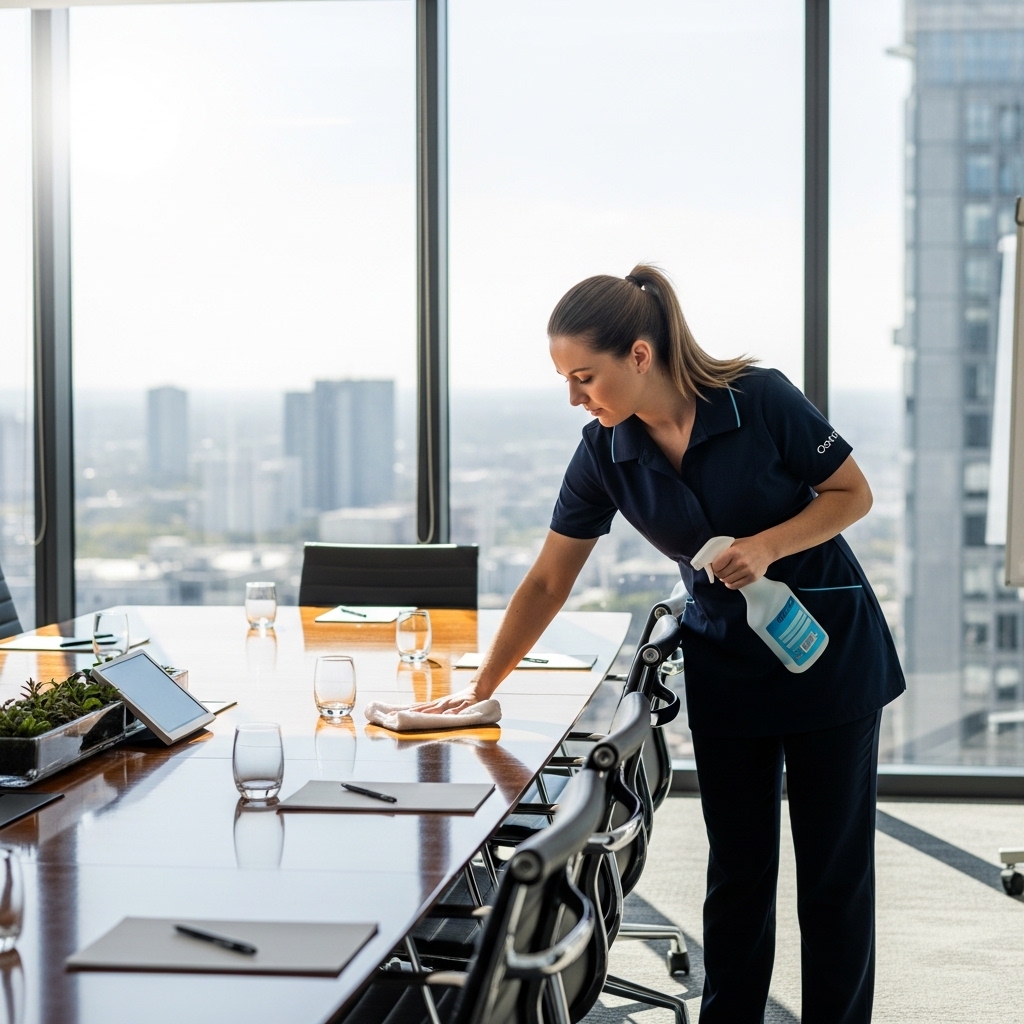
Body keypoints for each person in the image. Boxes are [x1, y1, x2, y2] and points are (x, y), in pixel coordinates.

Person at [418, 263, 905, 1023]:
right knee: (739, 876)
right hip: (727, 667)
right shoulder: (604, 454)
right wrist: (484, 686)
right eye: (565, 381)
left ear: (639, 355)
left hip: (828, 659)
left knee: (833, 879)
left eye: (585, 377)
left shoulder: (760, 397)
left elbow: (854, 494)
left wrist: (768, 545)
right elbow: (549, 580)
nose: (576, 398)